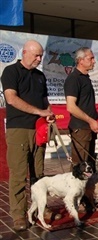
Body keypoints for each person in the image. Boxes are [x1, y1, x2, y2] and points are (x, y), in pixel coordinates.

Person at [0, 40, 60, 231]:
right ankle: (19, 214)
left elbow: (45, 101)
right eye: (36, 55)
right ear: (25, 52)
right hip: (19, 129)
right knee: (18, 174)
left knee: (39, 174)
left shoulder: (40, 76)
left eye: (41, 55)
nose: (39, 59)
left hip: (39, 130)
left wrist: (48, 113)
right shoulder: (11, 71)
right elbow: (11, 98)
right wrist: (39, 112)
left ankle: (40, 209)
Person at [64, 47, 98, 172]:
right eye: (91, 58)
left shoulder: (86, 78)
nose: (94, 61)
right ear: (80, 60)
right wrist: (90, 120)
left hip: (89, 129)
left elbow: (86, 104)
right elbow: (71, 106)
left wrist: (97, 118)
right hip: (81, 129)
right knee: (79, 167)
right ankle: (75, 192)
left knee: (90, 166)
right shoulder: (74, 78)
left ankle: (88, 191)